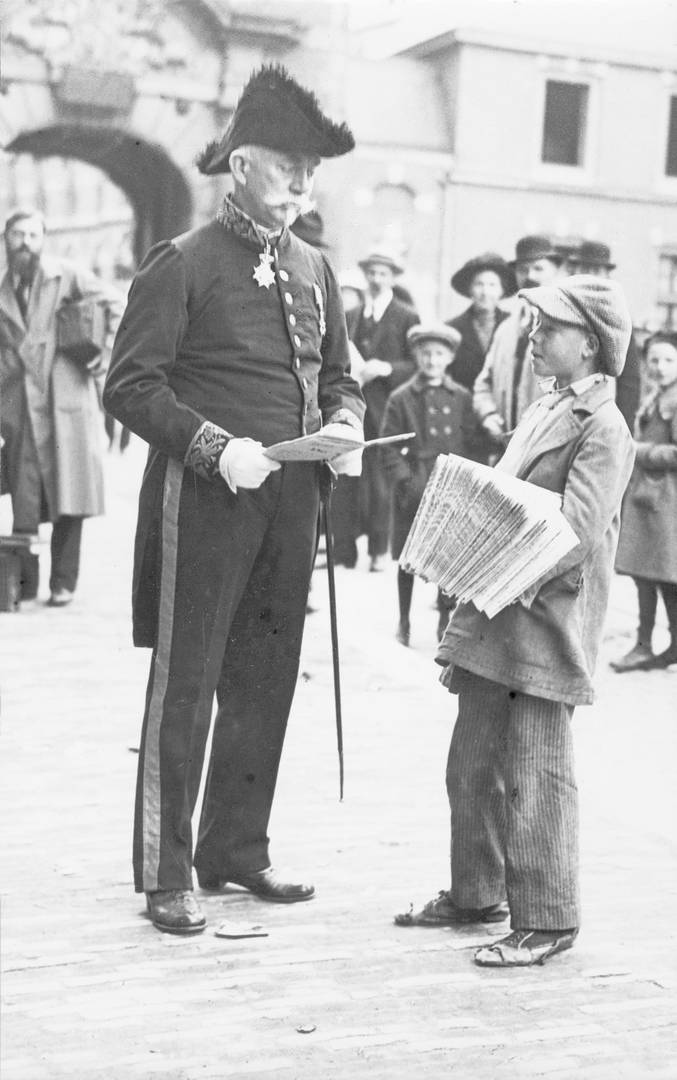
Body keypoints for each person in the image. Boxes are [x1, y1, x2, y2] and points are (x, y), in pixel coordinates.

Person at [103, 64, 365, 935]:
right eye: (290, 165)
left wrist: (346, 424)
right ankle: (166, 871)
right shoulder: (181, 262)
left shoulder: (315, 268)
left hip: (293, 504)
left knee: (265, 679)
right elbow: (130, 387)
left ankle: (234, 849)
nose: (303, 182)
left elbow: (340, 376)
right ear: (243, 163)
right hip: (204, 502)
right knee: (187, 683)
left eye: (311, 170)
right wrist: (217, 449)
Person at [395, 276, 635, 968]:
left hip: (544, 623)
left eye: (549, 327)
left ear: (589, 343)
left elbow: (574, 534)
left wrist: (488, 550)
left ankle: (548, 920)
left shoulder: (604, 427)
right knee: (471, 763)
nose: (533, 335)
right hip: (497, 612)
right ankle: (477, 894)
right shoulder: (545, 405)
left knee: (537, 772)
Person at [0, 207, 121, 606]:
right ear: (5, 240)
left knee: (71, 495)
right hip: (20, 405)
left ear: (43, 239)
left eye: (33, 235)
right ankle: (23, 583)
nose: (26, 243)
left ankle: (63, 583)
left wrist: (104, 355)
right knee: (25, 496)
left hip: (64, 401)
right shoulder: (2, 289)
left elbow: (116, 304)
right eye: (18, 235)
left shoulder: (66, 275)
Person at [380, 323, 479, 646]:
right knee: (408, 557)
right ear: (416, 356)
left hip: (452, 483)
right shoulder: (401, 397)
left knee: (446, 555)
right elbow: (387, 446)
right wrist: (404, 479)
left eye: (439, 354)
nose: (432, 360)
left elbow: (472, 440)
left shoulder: (461, 396)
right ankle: (403, 619)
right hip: (415, 483)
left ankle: (444, 620)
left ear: (450, 358)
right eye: (425, 354)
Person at [342, 248, 419, 571]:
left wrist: (386, 368)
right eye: (371, 273)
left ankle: (378, 550)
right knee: (347, 474)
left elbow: (416, 364)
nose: (376, 279)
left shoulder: (406, 316)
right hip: (353, 403)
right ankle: (344, 552)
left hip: (387, 406)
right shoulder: (351, 315)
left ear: (393, 278)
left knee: (381, 480)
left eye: (383, 274)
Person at [612, 330, 677, 671]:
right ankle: (648, 643)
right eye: (654, 360)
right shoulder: (656, 395)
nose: (660, 367)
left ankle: (652, 645)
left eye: (668, 360)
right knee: (648, 576)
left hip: (665, 502)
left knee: (663, 577)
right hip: (649, 500)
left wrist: (638, 450)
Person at [473, 235, 565, 452]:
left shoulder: (568, 328)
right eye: (523, 270)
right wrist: (488, 415)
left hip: (549, 450)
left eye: (538, 268)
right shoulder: (505, 330)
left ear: (556, 272)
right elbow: (483, 383)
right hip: (507, 450)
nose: (530, 276)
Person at [575, 240, 642, 429]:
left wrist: (624, 426)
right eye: (585, 269)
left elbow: (629, 380)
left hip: (602, 415)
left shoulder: (618, 317)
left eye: (596, 271)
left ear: (606, 276)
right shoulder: (564, 310)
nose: (590, 276)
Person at [446, 252, 516, 392]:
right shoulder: (452, 329)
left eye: (492, 285)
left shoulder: (513, 326)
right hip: (465, 401)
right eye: (479, 284)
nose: (485, 292)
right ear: (470, 289)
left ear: (501, 290)